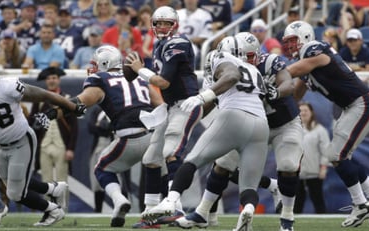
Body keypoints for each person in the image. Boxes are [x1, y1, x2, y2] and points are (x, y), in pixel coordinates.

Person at [176, 32, 302, 231]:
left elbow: (288, 83)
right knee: (223, 163)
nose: (251, 59)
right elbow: (216, 99)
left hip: (284, 123)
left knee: (288, 164)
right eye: (246, 55)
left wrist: (276, 91)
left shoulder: (269, 62)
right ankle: (202, 211)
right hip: (256, 123)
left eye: (254, 55)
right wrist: (192, 114)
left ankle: (287, 218)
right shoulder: (233, 68)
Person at [142, 35, 269, 231]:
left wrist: (203, 96)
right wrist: (195, 114)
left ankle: (171, 200)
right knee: (249, 186)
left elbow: (231, 76)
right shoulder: (254, 71)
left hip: (234, 116)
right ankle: (248, 211)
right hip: (261, 124)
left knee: (193, 160)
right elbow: (218, 98)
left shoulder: (222, 58)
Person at [282, 20, 369, 227]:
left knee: (336, 154)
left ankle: (360, 203)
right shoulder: (305, 62)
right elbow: (296, 93)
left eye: (292, 41)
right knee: (342, 155)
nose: (289, 46)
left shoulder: (314, 49)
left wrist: (271, 74)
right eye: (287, 42)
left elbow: (296, 70)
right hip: (353, 106)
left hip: (362, 102)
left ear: (305, 38)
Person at [0, 57, 85, 227]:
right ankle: (52, 189)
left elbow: (45, 95)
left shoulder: (7, 86)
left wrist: (72, 107)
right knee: (15, 184)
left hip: (21, 140)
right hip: (1, 145)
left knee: (15, 194)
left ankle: (53, 210)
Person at [73, 45, 168, 227]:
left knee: (102, 168)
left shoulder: (99, 79)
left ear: (104, 63)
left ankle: (118, 200)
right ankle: (171, 207)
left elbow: (82, 102)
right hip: (152, 134)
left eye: (95, 63)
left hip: (128, 137)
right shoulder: (140, 79)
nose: (92, 67)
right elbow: (160, 105)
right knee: (162, 173)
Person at [126, 5, 201, 217]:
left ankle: (174, 206)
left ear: (175, 25)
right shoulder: (160, 46)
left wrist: (139, 69)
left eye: (167, 23)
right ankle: (150, 211)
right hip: (171, 107)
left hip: (186, 104)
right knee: (151, 158)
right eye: (158, 23)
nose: (162, 27)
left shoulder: (177, 43)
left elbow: (164, 82)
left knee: (171, 152)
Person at [28, 67, 78, 191]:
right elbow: (31, 123)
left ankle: (63, 209)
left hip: (61, 147)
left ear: (59, 80)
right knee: (46, 181)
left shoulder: (67, 99)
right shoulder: (39, 101)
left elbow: (74, 127)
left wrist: (70, 148)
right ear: (46, 81)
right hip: (44, 146)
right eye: (49, 78)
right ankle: (49, 209)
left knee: (62, 181)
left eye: (54, 78)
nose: (51, 81)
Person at [294, 102, 330, 214]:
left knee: (317, 199)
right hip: (296, 172)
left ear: (311, 112)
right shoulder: (293, 129)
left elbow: (326, 150)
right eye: (301, 111)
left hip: (314, 172)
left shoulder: (319, 130)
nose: (303, 113)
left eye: (306, 110)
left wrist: (323, 167)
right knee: (297, 201)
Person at [87, 105, 113, 213]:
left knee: (118, 179)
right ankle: (98, 210)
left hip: (113, 145)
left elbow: (114, 126)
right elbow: (90, 127)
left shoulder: (114, 108)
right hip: (98, 147)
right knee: (96, 180)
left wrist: (102, 125)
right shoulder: (97, 110)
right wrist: (105, 127)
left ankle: (119, 208)